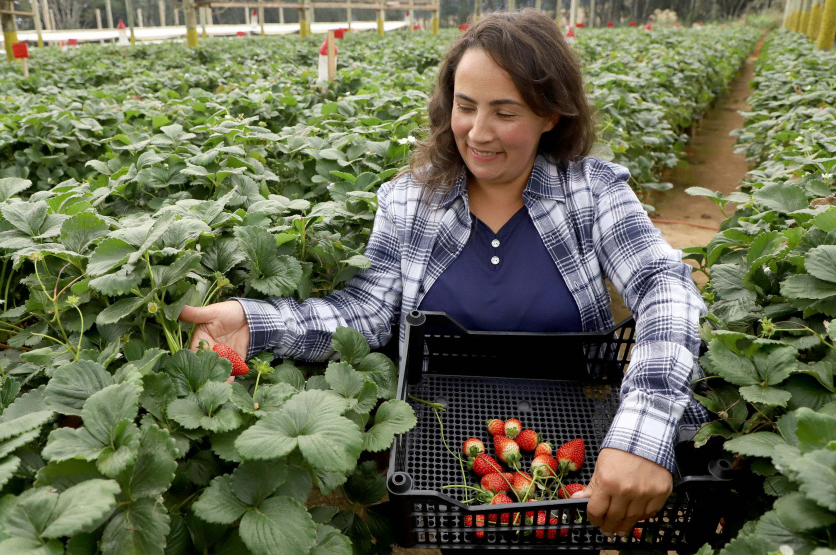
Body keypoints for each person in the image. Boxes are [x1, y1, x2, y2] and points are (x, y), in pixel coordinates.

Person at [179, 8, 709, 549]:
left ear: (550, 115)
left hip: (573, 455)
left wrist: (641, 437)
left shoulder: (590, 193)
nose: (477, 133)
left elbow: (666, 287)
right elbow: (365, 313)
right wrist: (252, 321)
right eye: (465, 106)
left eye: (505, 112)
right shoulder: (411, 199)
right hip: (446, 465)